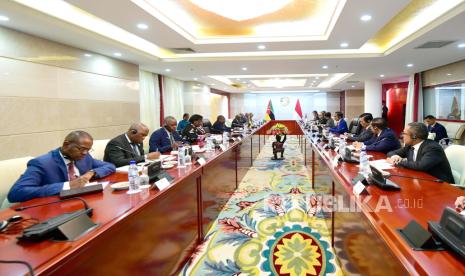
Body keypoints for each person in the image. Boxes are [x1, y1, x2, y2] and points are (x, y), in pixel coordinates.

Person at [7, 131, 115, 203]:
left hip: (82, 202)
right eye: (81, 149)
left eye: (88, 150)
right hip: (54, 208)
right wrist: (67, 185)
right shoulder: (42, 163)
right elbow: (16, 193)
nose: (85, 153)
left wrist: (91, 173)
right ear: (66, 144)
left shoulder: (85, 157)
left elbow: (109, 166)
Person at [386, 122, 454, 183]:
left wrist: (398, 162)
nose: (402, 136)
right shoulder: (409, 145)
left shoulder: (432, 148)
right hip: (419, 179)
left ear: (414, 137)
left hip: (439, 184)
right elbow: (391, 152)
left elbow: (421, 166)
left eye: (404, 133)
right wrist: (394, 156)